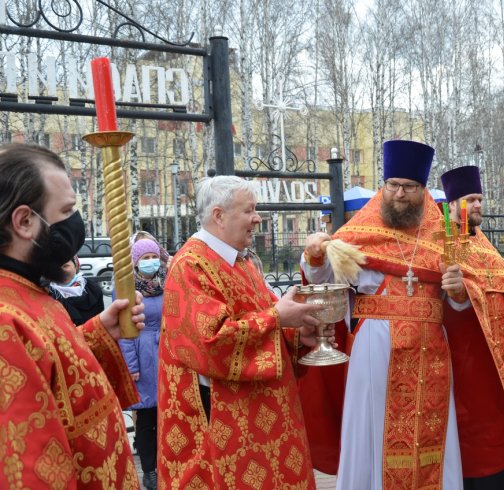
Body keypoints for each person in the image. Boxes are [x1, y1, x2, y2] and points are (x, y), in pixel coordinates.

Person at [301, 140, 469, 489]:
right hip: (375, 348)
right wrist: (315, 257)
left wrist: (459, 292)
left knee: (431, 432)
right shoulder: (359, 232)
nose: (400, 194)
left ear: (423, 190)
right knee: (372, 430)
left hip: (431, 352)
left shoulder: (444, 236)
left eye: (409, 187)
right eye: (393, 185)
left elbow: (460, 306)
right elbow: (325, 283)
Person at [157, 175, 326, 489]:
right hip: (226, 420)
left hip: (263, 415)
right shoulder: (191, 266)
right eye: (249, 210)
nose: (257, 218)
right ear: (219, 216)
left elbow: (267, 321)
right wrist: (278, 317)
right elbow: (211, 343)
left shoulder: (242, 263)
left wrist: (298, 333)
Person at [0, 143, 145, 488]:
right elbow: (30, 471)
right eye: (66, 211)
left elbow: (47, 371)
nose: (75, 224)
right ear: (24, 222)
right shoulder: (5, 319)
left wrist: (98, 332)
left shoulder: (29, 290)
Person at [440, 165, 504, 489]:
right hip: (469, 358)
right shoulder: (446, 240)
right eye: (471, 199)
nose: (478, 205)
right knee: (477, 429)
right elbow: (449, 295)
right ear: (452, 205)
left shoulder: (481, 240)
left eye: (480, 199)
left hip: (500, 355)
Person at [119, 238, 167, 490]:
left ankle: (167, 466)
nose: (151, 262)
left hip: (167, 353)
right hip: (143, 354)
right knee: (147, 418)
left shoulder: (167, 283)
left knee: (167, 416)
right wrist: (131, 366)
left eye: (154, 256)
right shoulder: (127, 289)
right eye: (145, 258)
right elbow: (125, 332)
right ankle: (149, 471)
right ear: (136, 262)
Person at [48, 255, 105, 325]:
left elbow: (100, 321)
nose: (61, 271)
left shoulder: (92, 289)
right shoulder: (47, 294)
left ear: (75, 265)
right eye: (56, 268)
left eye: (65, 266)